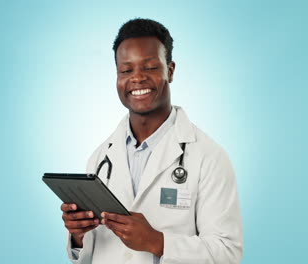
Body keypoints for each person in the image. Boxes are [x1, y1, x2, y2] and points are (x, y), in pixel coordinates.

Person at [60, 18, 243, 264]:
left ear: (170, 70)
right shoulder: (100, 158)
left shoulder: (208, 157)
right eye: (126, 70)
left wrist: (158, 242)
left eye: (149, 67)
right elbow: (92, 255)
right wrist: (78, 236)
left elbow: (228, 254)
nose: (137, 78)